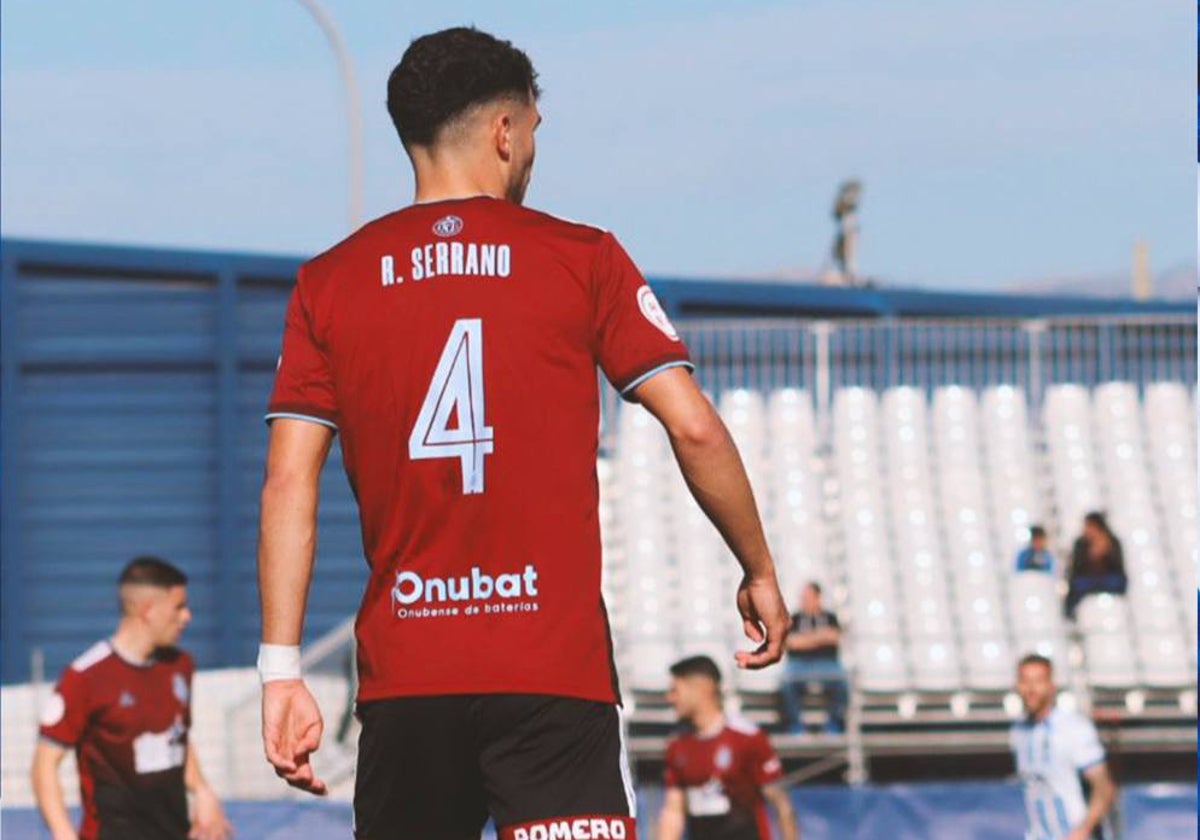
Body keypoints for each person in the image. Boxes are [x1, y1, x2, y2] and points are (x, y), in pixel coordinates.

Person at [255, 26, 789, 840]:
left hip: (408, 680)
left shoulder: (327, 282)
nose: (535, 154)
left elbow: (289, 480)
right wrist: (757, 566)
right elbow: (696, 430)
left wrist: (281, 669)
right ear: (506, 131)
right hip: (553, 676)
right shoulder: (583, 258)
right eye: (535, 132)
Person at [31, 557, 231, 840]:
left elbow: (177, 737)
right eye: (179, 607)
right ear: (148, 610)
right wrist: (63, 834)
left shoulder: (180, 665)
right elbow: (44, 765)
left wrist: (202, 790)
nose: (187, 617)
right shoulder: (85, 677)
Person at [658, 656, 799, 840]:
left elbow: (781, 806)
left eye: (675, 690)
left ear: (702, 688)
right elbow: (673, 812)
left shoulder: (748, 738)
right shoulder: (677, 745)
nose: (670, 698)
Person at [1010, 654, 1117, 840]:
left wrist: (1083, 830)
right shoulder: (1019, 730)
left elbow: (1104, 788)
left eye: (1038, 681)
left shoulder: (1073, 728)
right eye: (1025, 681)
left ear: (1052, 686)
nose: (1030, 689)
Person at [780, 582, 846, 734]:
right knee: (786, 682)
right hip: (799, 664)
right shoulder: (794, 618)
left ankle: (834, 723)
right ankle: (795, 725)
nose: (804, 601)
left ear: (818, 598)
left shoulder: (830, 617)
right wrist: (820, 637)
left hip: (827, 663)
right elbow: (790, 643)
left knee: (843, 682)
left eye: (808, 597)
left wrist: (805, 639)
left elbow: (835, 637)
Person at [1065, 512, 1127, 618]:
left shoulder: (1113, 542)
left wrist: (1106, 552)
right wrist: (1090, 556)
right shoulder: (1080, 544)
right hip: (1086, 580)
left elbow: (1118, 568)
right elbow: (1076, 569)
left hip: (1108, 580)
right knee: (1077, 586)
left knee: (1116, 582)